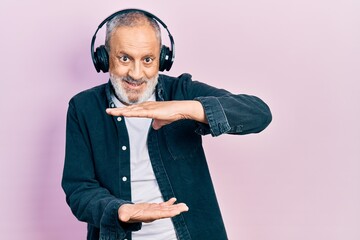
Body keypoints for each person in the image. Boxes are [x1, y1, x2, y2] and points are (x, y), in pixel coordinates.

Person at [62, 9, 272, 240]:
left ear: (163, 59)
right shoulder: (83, 108)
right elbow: (79, 188)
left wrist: (185, 108)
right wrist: (121, 210)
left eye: (148, 59)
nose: (136, 73)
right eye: (124, 58)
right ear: (103, 58)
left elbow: (259, 114)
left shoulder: (182, 92)